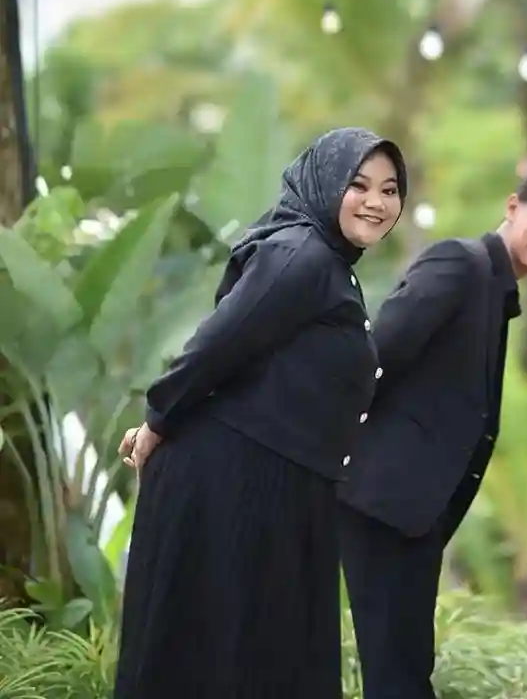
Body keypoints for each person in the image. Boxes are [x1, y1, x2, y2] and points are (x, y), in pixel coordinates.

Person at [114, 127, 407, 699]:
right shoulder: (301, 255)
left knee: (262, 663)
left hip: (277, 485)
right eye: (359, 185)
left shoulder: (326, 263)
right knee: (224, 663)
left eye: (390, 190)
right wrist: (156, 420)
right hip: (233, 485)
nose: (376, 202)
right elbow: (217, 343)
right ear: (326, 183)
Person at [338, 164, 527, 699]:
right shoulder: (460, 264)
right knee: (398, 676)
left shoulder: (494, 294)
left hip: (413, 518)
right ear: (513, 206)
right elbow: (373, 357)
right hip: (383, 507)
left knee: (404, 671)